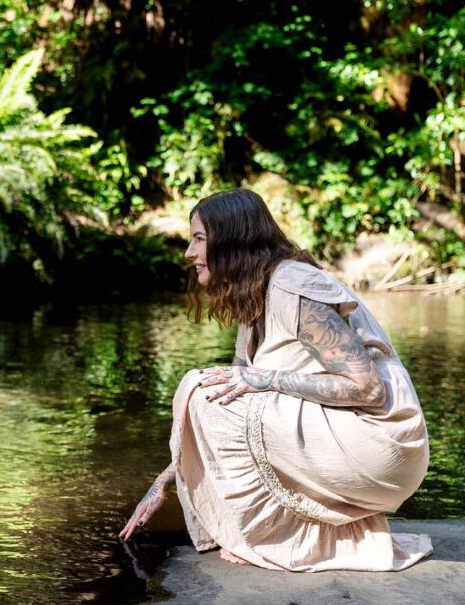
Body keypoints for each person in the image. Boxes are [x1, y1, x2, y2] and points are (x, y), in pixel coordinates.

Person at [119, 189, 431, 572]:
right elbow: (230, 393)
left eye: (199, 239)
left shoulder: (291, 286)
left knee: (201, 388)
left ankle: (274, 541)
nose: (189, 252)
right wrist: (164, 481)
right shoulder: (256, 297)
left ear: (232, 240)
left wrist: (263, 378)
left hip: (384, 446)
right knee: (213, 392)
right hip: (351, 442)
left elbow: (367, 388)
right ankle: (284, 535)